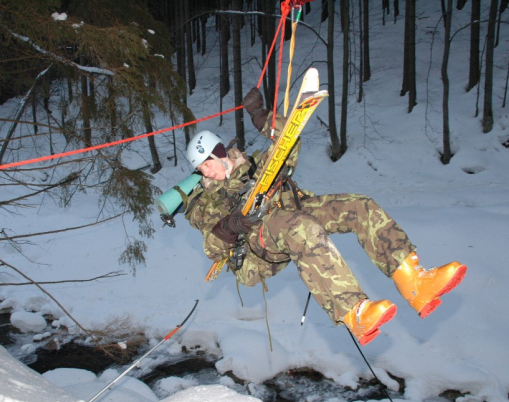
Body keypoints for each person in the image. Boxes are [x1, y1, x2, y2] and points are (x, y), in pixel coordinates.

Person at [182, 87, 466, 346]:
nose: (207, 172)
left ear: (220, 154)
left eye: (208, 164)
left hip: (290, 209)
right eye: (201, 169)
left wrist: (261, 115)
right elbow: (212, 247)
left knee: (360, 207)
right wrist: (229, 227)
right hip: (257, 242)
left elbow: (288, 144)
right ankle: (355, 313)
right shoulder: (209, 201)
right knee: (300, 228)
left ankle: (414, 282)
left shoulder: (256, 163)